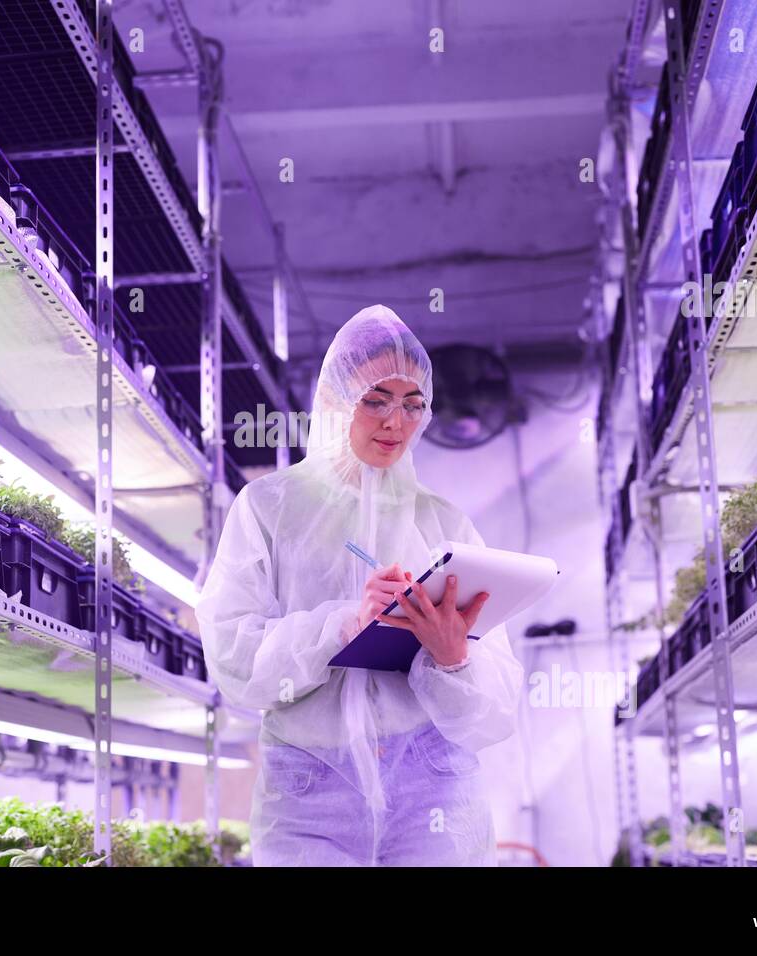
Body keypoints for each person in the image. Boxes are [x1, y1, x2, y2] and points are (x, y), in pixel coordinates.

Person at [194, 304, 525, 866]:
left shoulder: (444, 523)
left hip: (433, 785)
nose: (396, 422)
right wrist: (343, 626)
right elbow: (234, 660)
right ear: (333, 400)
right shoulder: (269, 509)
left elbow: (496, 710)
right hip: (308, 790)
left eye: (412, 404)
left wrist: (453, 659)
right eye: (375, 400)